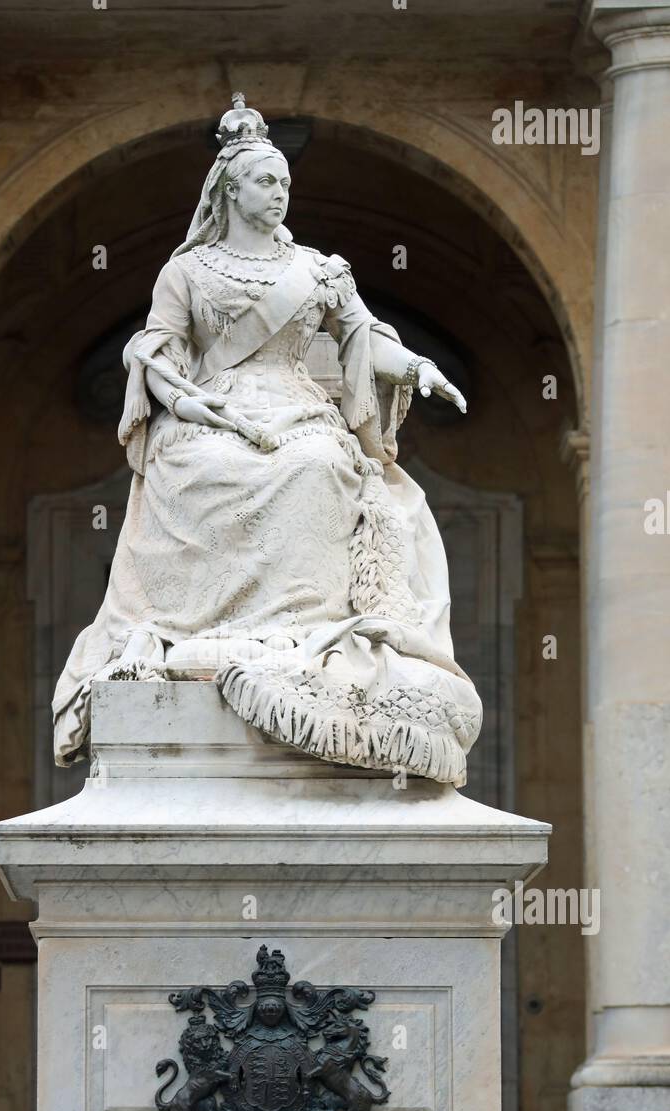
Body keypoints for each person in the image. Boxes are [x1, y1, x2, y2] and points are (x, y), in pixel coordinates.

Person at [53, 96, 482, 784]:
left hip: (298, 406)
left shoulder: (318, 270)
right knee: (198, 464)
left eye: (284, 182)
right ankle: (207, 633)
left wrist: (419, 368)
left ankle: (294, 634)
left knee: (316, 464)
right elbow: (157, 354)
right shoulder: (186, 272)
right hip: (213, 414)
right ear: (230, 188)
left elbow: (360, 337)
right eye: (264, 182)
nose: (278, 193)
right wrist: (186, 401)